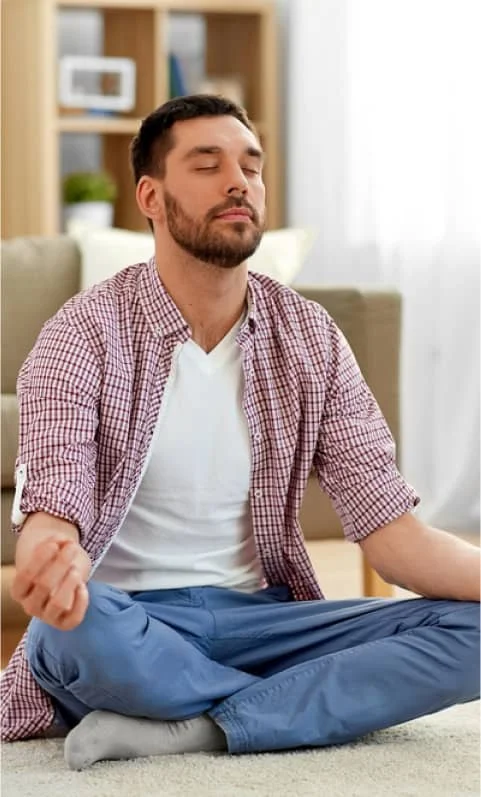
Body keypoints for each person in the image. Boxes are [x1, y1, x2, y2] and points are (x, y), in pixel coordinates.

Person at [1, 95, 479, 770]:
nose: (239, 181)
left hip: (266, 620)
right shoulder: (82, 334)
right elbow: (54, 506)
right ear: (151, 195)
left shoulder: (310, 336)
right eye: (208, 164)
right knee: (64, 635)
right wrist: (52, 556)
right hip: (129, 621)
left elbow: (394, 539)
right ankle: (274, 712)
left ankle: (195, 724)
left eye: (250, 167)